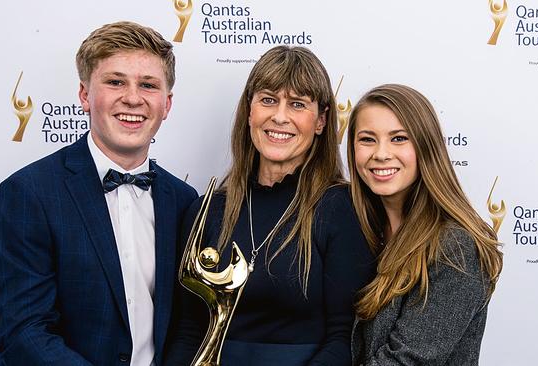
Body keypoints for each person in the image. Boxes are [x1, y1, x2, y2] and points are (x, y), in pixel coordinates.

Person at [0, 21, 197, 366]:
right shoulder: (26, 194)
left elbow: (186, 326)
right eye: (115, 82)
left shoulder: (186, 201)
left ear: (167, 104)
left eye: (148, 85)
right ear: (85, 95)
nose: (132, 97)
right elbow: (23, 332)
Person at [164, 46, 375, 366]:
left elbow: (344, 339)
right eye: (267, 99)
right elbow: (187, 331)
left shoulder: (340, 209)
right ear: (249, 111)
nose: (280, 116)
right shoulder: (206, 210)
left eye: (297, 104)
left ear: (321, 121)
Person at [347, 84, 503, 365]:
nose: (381, 154)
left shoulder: (456, 247)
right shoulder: (364, 232)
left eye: (398, 139)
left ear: (426, 147)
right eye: (368, 139)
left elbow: (407, 360)